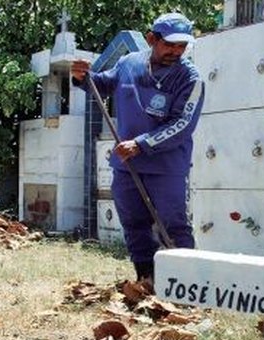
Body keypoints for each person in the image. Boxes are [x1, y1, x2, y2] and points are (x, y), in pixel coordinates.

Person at [71, 12, 205, 286]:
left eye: (182, 46)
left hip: (165, 167)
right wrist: (82, 77)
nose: (176, 52)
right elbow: (102, 84)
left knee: (174, 224)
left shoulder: (191, 79)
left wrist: (142, 144)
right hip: (127, 165)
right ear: (151, 39)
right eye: (170, 44)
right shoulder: (128, 64)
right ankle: (146, 281)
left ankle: (186, 287)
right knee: (134, 225)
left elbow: (183, 124)